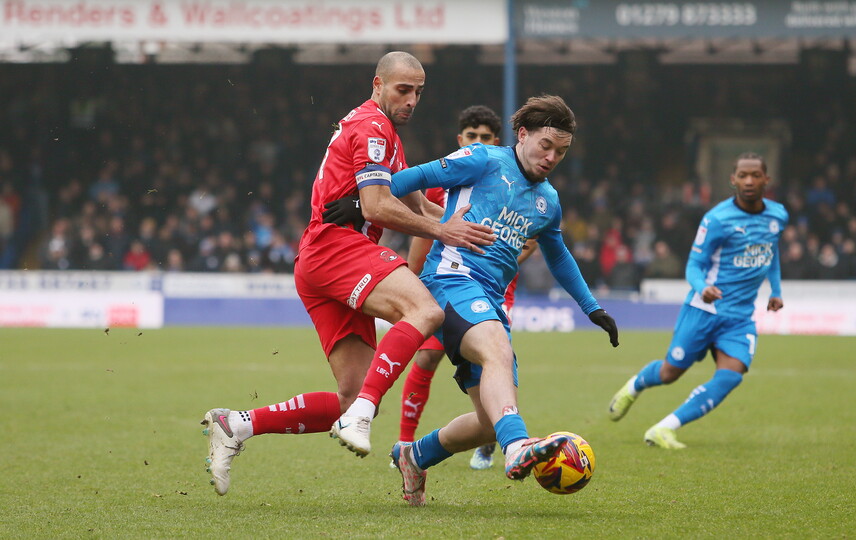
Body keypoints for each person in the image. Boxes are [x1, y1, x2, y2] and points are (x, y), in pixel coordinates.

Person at [200, 51, 496, 496]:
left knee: (349, 392)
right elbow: (377, 206)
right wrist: (442, 230)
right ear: (377, 84)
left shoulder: (388, 136)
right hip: (336, 247)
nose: (412, 99)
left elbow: (421, 207)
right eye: (403, 89)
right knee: (425, 310)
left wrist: (472, 232)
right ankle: (365, 413)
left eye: (419, 92)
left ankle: (237, 424)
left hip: (321, 259)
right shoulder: (373, 127)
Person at [385, 95, 619, 506]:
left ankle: (414, 456)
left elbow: (559, 257)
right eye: (546, 146)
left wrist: (592, 308)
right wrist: (373, 207)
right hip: (450, 279)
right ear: (523, 134)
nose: (551, 157)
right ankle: (518, 447)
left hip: (490, 299)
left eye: (561, 152)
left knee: (488, 422)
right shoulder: (482, 159)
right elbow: (405, 180)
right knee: (496, 351)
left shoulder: (548, 200)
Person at [607, 152, 787, 449]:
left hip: (739, 317)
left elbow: (771, 251)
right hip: (704, 310)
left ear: (767, 179)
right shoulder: (717, 219)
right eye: (743, 175)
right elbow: (693, 264)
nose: (750, 181)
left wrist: (776, 290)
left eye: (756, 175)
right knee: (669, 373)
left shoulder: (778, 215)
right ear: (733, 180)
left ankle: (665, 428)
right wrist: (703, 287)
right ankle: (635, 385)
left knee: (731, 376)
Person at [397, 105, 537, 471]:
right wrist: (413, 290)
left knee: (493, 392)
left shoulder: (517, 190)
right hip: (450, 286)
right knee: (429, 357)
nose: (477, 143)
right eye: (471, 137)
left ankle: (469, 444)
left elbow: (528, 245)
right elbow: (425, 238)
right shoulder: (446, 192)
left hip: (497, 295)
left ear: (498, 143)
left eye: (485, 138)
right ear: (460, 141)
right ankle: (405, 438)